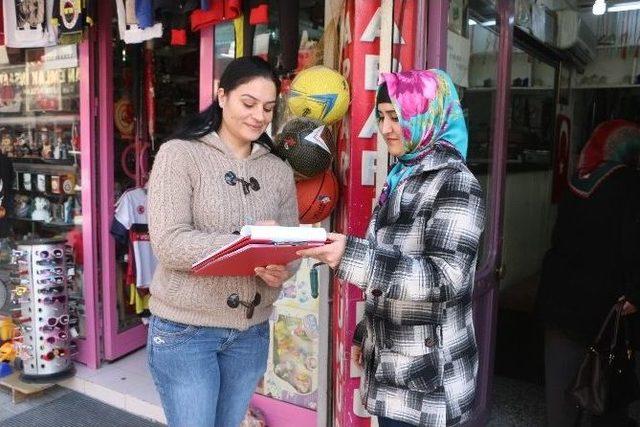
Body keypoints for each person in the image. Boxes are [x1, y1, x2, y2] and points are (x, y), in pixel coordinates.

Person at [298, 69, 485, 427]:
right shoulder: (403, 174)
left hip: (429, 380)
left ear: (427, 115)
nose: (385, 128)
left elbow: (443, 278)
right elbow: (393, 264)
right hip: (391, 367)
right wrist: (365, 333)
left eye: (396, 116)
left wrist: (350, 255)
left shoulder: (456, 183)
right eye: (381, 116)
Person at [146, 56, 298, 427]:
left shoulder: (278, 170)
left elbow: (290, 244)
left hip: (251, 332)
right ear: (221, 96)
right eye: (248, 103)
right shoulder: (179, 154)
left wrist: (282, 269)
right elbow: (169, 242)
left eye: (268, 108)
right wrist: (243, 243)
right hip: (186, 331)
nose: (259, 116)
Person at [537, 120, 640, 427]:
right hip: (604, 306)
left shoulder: (578, 179)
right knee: (600, 387)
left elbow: (559, 239)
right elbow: (633, 244)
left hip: (560, 301)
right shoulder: (631, 184)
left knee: (561, 390)